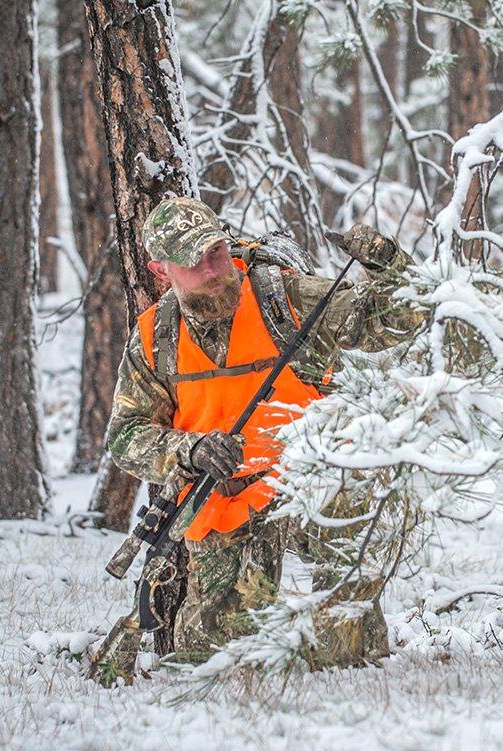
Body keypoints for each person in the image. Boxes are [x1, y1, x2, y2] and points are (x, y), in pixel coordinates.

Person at [105, 196, 418, 669]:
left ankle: (347, 651)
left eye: (215, 252)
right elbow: (124, 436)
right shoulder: (155, 338)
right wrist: (189, 450)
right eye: (192, 262)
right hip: (225, 497)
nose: (212, 270)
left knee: (346, 655)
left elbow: (398, 320)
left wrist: (385, 260)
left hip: (311, 481)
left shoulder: (282, 299)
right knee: (215, 662)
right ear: (160, 270)